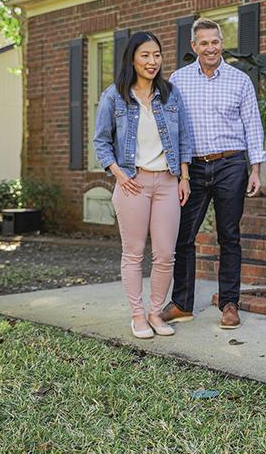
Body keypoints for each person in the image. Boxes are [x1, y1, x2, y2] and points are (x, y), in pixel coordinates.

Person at [160, 18, 265, 329]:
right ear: (194, 47)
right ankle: (181, 304)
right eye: (203, 43)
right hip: (191, 167)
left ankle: (230, 303)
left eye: (215, 42)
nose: (210, 48)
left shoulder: (239, 80)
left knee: (229, 236)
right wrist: (179, 173)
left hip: (231, 164)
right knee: (184, 235)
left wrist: (255, 169)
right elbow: (173, 129)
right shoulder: (178, 80)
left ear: (222, 44)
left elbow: (252, 125)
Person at [93, 31, 192, 339]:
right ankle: (137, 315)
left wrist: (184, 177)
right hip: (133, 182)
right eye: (146, 55)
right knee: (134, 253)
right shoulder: (115, 95)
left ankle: (155, 312)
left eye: (157, 55)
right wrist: (120, 176)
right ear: (132, 59)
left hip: (167, 182)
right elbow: (100, 142)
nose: (152, 61)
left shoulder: (170, 94)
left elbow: (184, 138)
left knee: (165, 254)